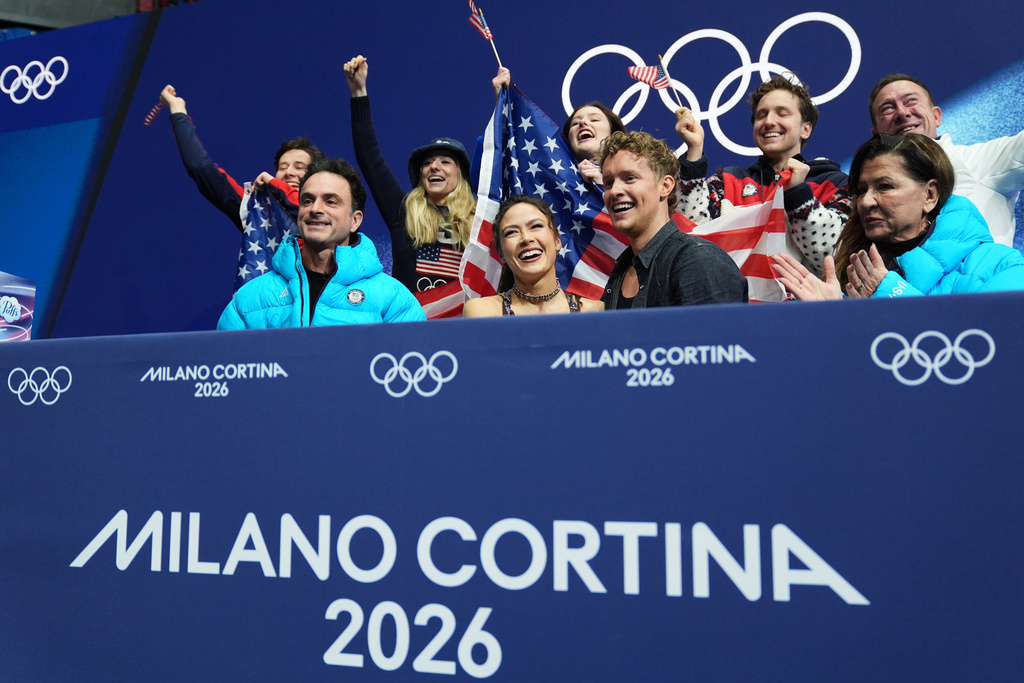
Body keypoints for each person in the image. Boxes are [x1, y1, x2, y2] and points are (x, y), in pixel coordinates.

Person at [771, 134, 1024, 300]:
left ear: (930, 195)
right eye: (861, 191)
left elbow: (990, 352)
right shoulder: (849, 278)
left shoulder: (1004, 264)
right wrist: (832, 319)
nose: (865, 201)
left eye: (884, 187)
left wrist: (890, 294)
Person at [217, 158, 425, 329]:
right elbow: (227, 370)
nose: (315, 208)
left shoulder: (394, 300)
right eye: (307, 200)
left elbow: (412, 370)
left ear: (355, 220)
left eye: (331, 201)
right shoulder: (248, 300)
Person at [675, 75, 850, 273]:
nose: (769, 121)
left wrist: (799, 196)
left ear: (806, 129)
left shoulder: (834, 184)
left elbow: (832, 259)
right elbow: (690, 232)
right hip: (736, 301)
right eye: (761, 115)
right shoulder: (728, 181)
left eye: (782, 113)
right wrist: (694, 152)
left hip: (802, 304)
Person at [343, 56, 476, 307]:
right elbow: (370, 159)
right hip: (411, 324)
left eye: (445, 162)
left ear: (461, 175)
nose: (434, 166)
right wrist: (359, 93)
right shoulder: (403, 210)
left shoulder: (481, 220)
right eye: (427, 163)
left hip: (465, 327)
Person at [868, 73, 1024, 248]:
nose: (902, 113)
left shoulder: (980, 161)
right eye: (887, 109)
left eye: (911, 101)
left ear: (936, 116)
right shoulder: (867, 198)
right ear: (876, 135)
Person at [600, 131, 748, 308]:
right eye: (608, 183)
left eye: (629, 178)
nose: (615, 191)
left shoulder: (699, 260)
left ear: (665, 186)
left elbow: (716, 335)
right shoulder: (622, 269)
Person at [160, 84, 324, 232]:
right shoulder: (255, 211)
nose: (288, 172)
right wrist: (178, 109)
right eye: (282, 167)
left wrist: (352, 95)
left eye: (300, 167)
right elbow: (200, 167)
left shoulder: (333, 215)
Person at [463, 196, 604, 316]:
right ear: (501, 254)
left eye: (536, 226)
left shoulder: (595, 312)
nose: (526, 238)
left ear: (557, 241)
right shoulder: (482, 313)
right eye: (512, 232)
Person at [490, 68, 626, 189]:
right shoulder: (552, 180)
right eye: (575, 123)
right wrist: (503, 108)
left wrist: (604, 185)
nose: (583, 122)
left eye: (594, 119)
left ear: (614, 135)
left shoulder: (633, 171)